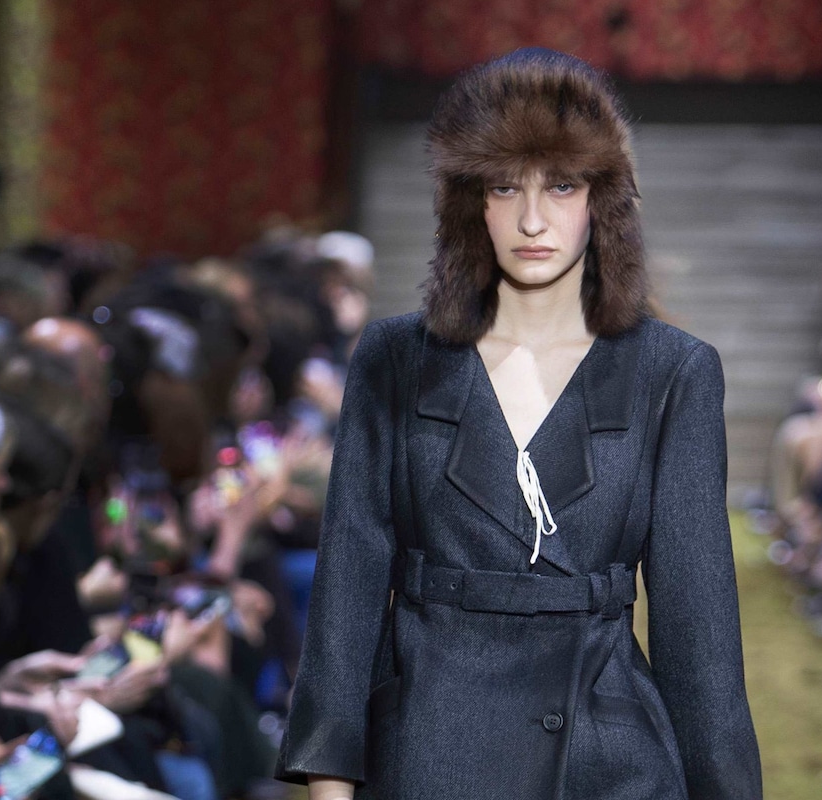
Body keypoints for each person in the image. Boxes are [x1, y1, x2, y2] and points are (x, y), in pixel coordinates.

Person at [276, 48, 761, 800]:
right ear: (472, 201)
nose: (532, 219)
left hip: (605, 761)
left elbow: (699, 632)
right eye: (506, 186)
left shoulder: (672, 373)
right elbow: (348, 590)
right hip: (427, 753)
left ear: (601, 198)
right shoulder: (396, 360)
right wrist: (330, 786)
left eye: (560, 185)